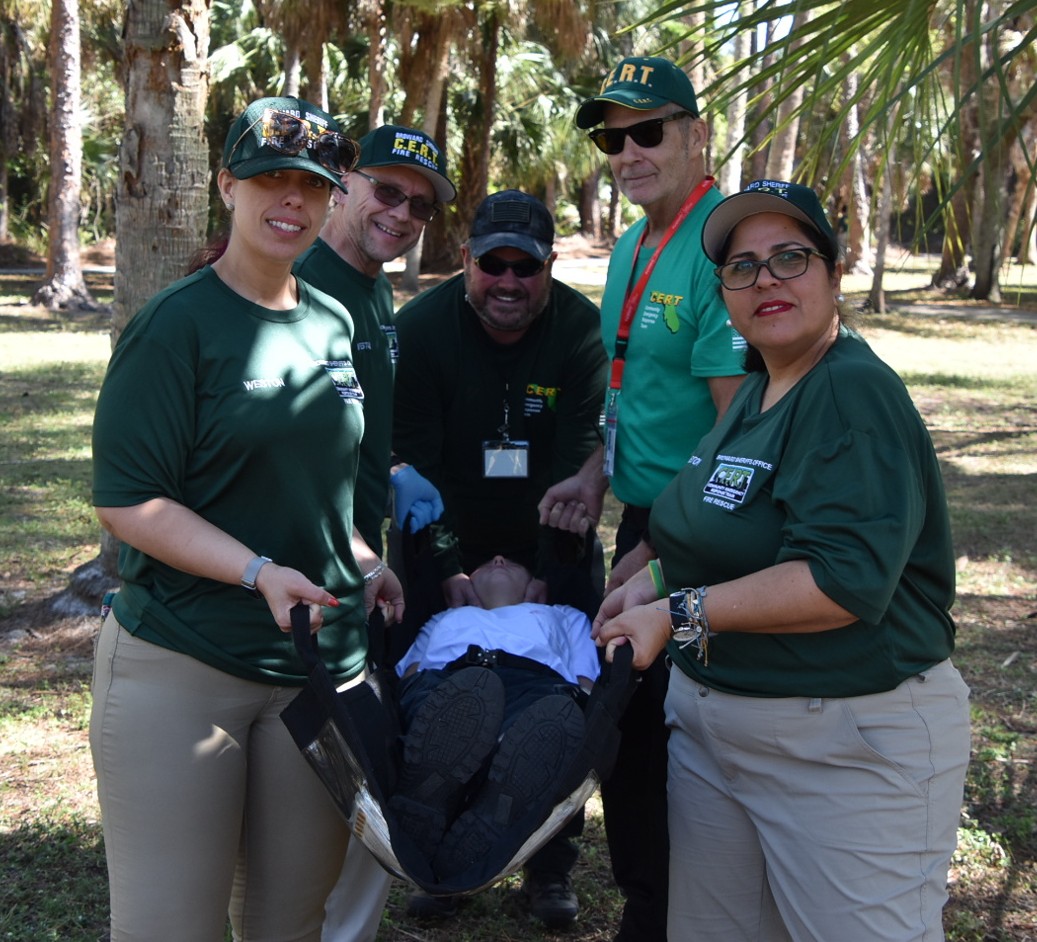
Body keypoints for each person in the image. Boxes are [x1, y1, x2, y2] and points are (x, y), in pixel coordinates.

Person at [593, 179, 972, 941]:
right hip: (714, 733)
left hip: (840, 745)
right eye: (741, 267)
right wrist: (648, 579)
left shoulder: (850, 392)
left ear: (834, 273)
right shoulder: (757, 393)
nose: (764, 278)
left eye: (789, 258)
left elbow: (838, 580)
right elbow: (723, 533)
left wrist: (676, 613)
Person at [89, 96, 404, 941]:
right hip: (186, 662)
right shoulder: (176, 326)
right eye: (269, 178)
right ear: (227, 184)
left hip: (315, 669)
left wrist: (367, 562)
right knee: (170, 928)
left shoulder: (335, 323)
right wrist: (257, 572)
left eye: (309, 183)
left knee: (291, 922)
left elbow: (324, 489)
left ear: (332, 196)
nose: (290, 201)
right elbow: (130, 501)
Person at [539, 55, 746, 942]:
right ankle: (646, 903)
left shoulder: (718, 246)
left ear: (697, 134)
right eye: (610, 137)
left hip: (706, 528)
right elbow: (630, 391)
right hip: (643, 514)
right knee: (628, 724)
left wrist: (660, 549)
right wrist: (594, 471)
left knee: (681, 730)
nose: (626, 152)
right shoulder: (630, 246)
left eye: (647, 131)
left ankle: (675, 912)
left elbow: (740, 431)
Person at [391, 189, 608, 925]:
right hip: (438, 534)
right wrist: (447, 568)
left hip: (552, 535)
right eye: (493, 264)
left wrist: (550, 572)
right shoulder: (421, 329)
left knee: (564, 703)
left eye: (527, 267)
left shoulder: (579, 329)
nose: (509, 282)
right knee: (435, 692)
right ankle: (438, 858)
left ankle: (547, 865)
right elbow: (412, 459)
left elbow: (578, 461)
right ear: (466, 261)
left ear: (549, 268)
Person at [293, 124, 455, 942]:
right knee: (320, 795)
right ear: (343, 181)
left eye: (420, 205)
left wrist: (389, 475)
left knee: (361, 792)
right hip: (300, 583)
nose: (402, 213)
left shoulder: (373, 289)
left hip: (354, 572)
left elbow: (348, 427)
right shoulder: (296, 279)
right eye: (386, 191)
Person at [389, 555, 598, 885]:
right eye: (484, 563)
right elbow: (410, 674)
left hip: (534, 685)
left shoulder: (563, 614)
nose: (498, 559)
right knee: (448, 703)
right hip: (449, 683)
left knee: (547, 720)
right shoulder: (444, 617)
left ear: (535, 588)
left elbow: (585, 680)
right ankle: (482, 793)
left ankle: (459, 795)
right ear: (467, 587)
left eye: (514, 562)